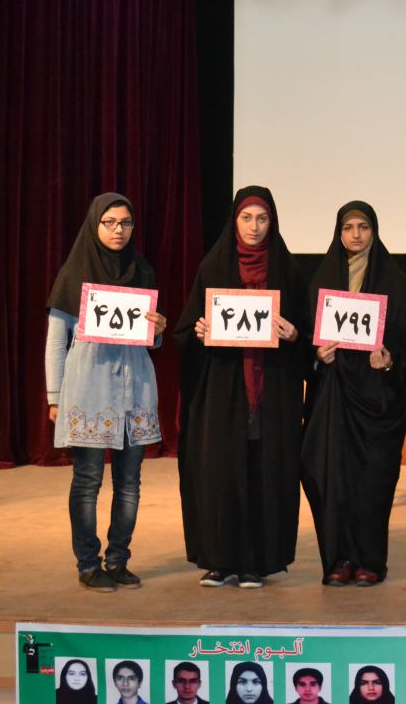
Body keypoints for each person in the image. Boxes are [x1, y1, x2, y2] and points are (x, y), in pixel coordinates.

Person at [175, 186, 308, 589]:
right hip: (224, 394)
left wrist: (294, 335)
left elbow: (310, 335)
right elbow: (186, 329)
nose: (254, 227)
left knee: (263, 474)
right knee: (223, 473)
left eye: (262, 218)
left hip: (271, 393)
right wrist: (198, 331)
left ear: (273, 222)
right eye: (246, 218)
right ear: (234, 221)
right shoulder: (213, 266)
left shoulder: (288, 271)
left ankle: (256, 563)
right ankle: (221, 561)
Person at [46, 193, 167, 592]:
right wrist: (54, 395)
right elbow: (56, 341)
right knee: (88, 480)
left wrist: (158, 330)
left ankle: (118, 560)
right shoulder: (74, 273)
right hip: (90, 388)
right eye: (110, 222)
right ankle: (87, 563)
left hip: (135, 387)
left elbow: (149, 339)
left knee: (129, 482)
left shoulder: (142, 270)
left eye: (126, 223)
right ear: (95, 224)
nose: (118, 230)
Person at [302, 202, 406, 586]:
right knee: (329, 478)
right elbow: (305, 338)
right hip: (332, 397)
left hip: (376, 400)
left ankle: (369, 560)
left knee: (372, 481)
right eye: (348, 227)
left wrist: (389, 360)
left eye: (363, 227)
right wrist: (317, 355)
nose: (355, 234)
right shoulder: (322, 279)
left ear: (374, 231)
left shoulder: (393, 280)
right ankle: (338, 558)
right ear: (339, 232)